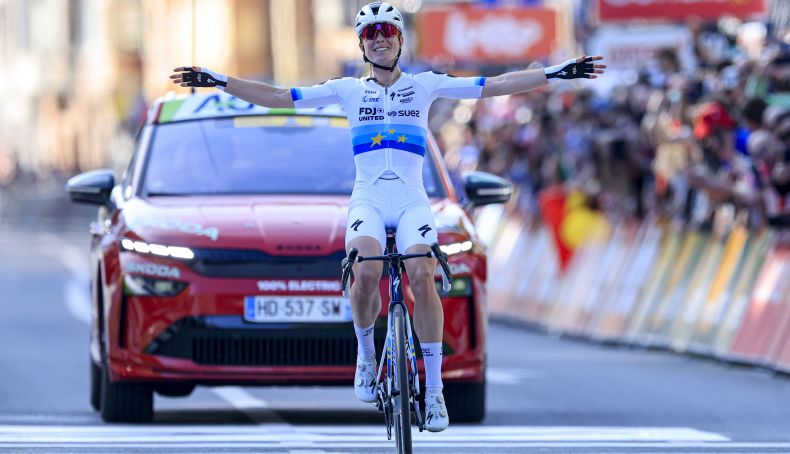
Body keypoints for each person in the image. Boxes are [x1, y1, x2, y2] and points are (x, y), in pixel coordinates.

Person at [170, 1, 606, 432]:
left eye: (388, 32)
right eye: (370, 34)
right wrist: (220, 81)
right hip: (370, 200)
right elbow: (279, 96)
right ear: (362, 45)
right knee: (364, 271)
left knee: (422, 273)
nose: (380, 40)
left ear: (400, 40)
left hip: (412, 200)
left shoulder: (426, 85)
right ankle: (365, 356)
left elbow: (494, 84)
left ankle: (433, 391)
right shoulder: (347, 90)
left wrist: (555, 72)